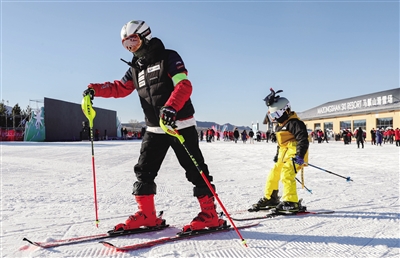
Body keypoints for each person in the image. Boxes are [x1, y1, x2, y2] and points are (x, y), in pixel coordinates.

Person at [83, 20, 224, 232]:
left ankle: (210, 214)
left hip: (179, 124)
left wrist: (170, 108)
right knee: (144, 171)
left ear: (145, 36)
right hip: (155, 127)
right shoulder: (135, 68)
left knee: (195, 169)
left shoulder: (169, 57)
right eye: (126, 44)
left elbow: (184, 85)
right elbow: (120, 88)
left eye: (133, 40)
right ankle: (147, 215)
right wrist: (95, 89)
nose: (130, 47)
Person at [250, 89, 309, 213]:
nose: (275, 119)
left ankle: (291, 201)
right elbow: (280, 143)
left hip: (295, 153)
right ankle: (271, 198)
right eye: (272, 116)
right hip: (283, 154)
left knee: (287, 173)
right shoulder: (279, 126)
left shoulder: (295, 123)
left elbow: (303, 139)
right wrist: (277, 155)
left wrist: (300, 155)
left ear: (286, 110)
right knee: (273, 173)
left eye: (276, 115)